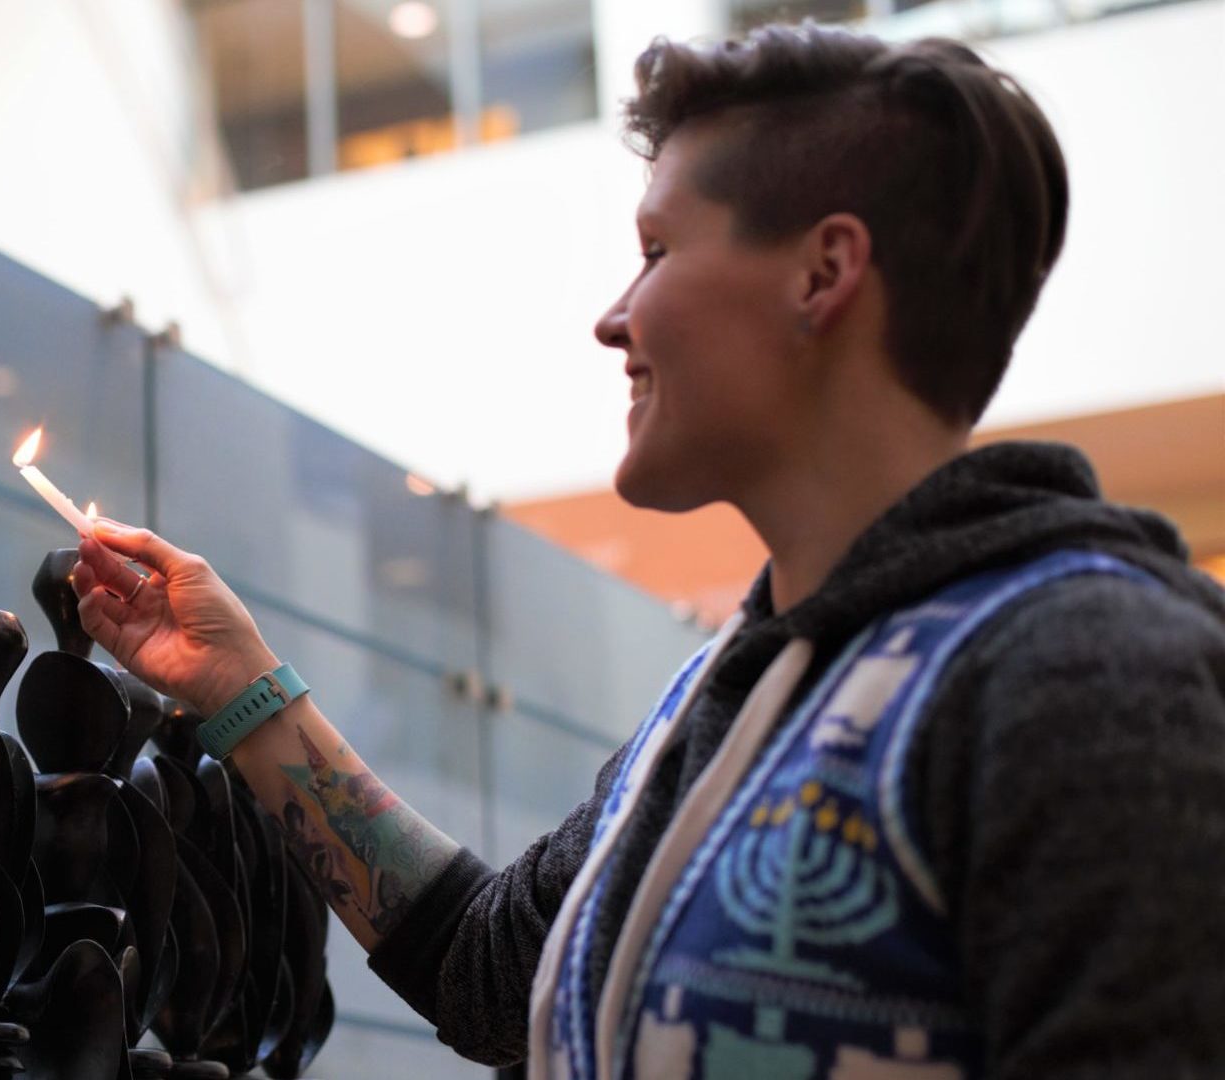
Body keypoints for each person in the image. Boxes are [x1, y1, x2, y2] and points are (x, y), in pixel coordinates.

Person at [69, 22, 1225, 1079]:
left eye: (658, 248)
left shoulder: (1095, 673)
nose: (615, 316)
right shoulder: (734, 689)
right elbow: (493, 975)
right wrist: (240, 690)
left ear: (824, 274)